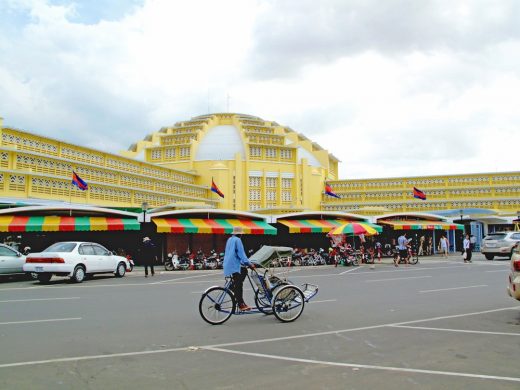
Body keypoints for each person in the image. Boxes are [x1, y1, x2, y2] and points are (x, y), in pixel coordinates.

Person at [223, 227, 255, 311]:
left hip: (228, 264)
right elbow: (241, 254)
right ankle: (241, 304)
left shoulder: (229, 239)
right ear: (240, 234)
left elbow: (234, 253)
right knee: (239, 284)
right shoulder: (238, 240)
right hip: (234, 265)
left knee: (241, 275)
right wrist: (249, 263)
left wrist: (244, 262)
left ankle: (233, 287)